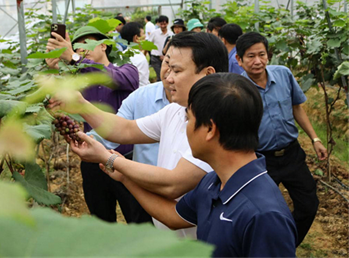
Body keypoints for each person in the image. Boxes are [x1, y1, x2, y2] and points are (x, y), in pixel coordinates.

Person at [71, 74, 298, 258]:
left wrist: (112, 160)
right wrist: (124, 177)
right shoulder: (213, 182)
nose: (184, 127)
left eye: (188, 119)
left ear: (210, 129)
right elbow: (173, 216)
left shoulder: (264, 216)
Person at [49, 31, 229, 238]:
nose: (167, 77)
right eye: (167, 67)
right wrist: (80, 105)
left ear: (207, 74)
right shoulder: (176, 111)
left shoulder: (217, 126)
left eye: (177, 71)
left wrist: (108, 159)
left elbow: (173, 184)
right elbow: (124, 129)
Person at [235, 32, 328, 246]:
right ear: (239, 60)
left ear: (268, 55)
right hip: (259, 159)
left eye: (262, 54)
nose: (257, 61)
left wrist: (315, 139)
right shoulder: (237, 89)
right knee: (260, 210)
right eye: (250, 56)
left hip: (291, 154)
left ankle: (286, 244)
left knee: (308, 205)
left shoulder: (284, 74)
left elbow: (297, 108)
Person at [46, 26, 142, 223]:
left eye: (87, 43)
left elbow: (117, 80)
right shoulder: (79, 81)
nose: (83, 49)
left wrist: (74, 57)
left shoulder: (127, 70)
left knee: (137, 217)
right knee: (100, 220)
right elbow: (56, 98)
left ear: (104, 45)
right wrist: (53, 68)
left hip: (126, 160)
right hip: (93, 162)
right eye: (78, 46)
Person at [119, 22, 150, 86]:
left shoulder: (120, 56)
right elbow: (143, 85)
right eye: (143, 34)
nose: (145, 36)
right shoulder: (140, 60)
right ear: (136, 38)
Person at [147, 15, 173, 81]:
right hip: (155, 58)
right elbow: (149, 44)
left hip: (167, 58)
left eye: (164, 24)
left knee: (166, 75)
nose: (163, 26)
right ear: (158, 24)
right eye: (161, 24)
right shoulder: (154, 33)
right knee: (160, 76)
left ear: (167, 23)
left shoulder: (171, 34)